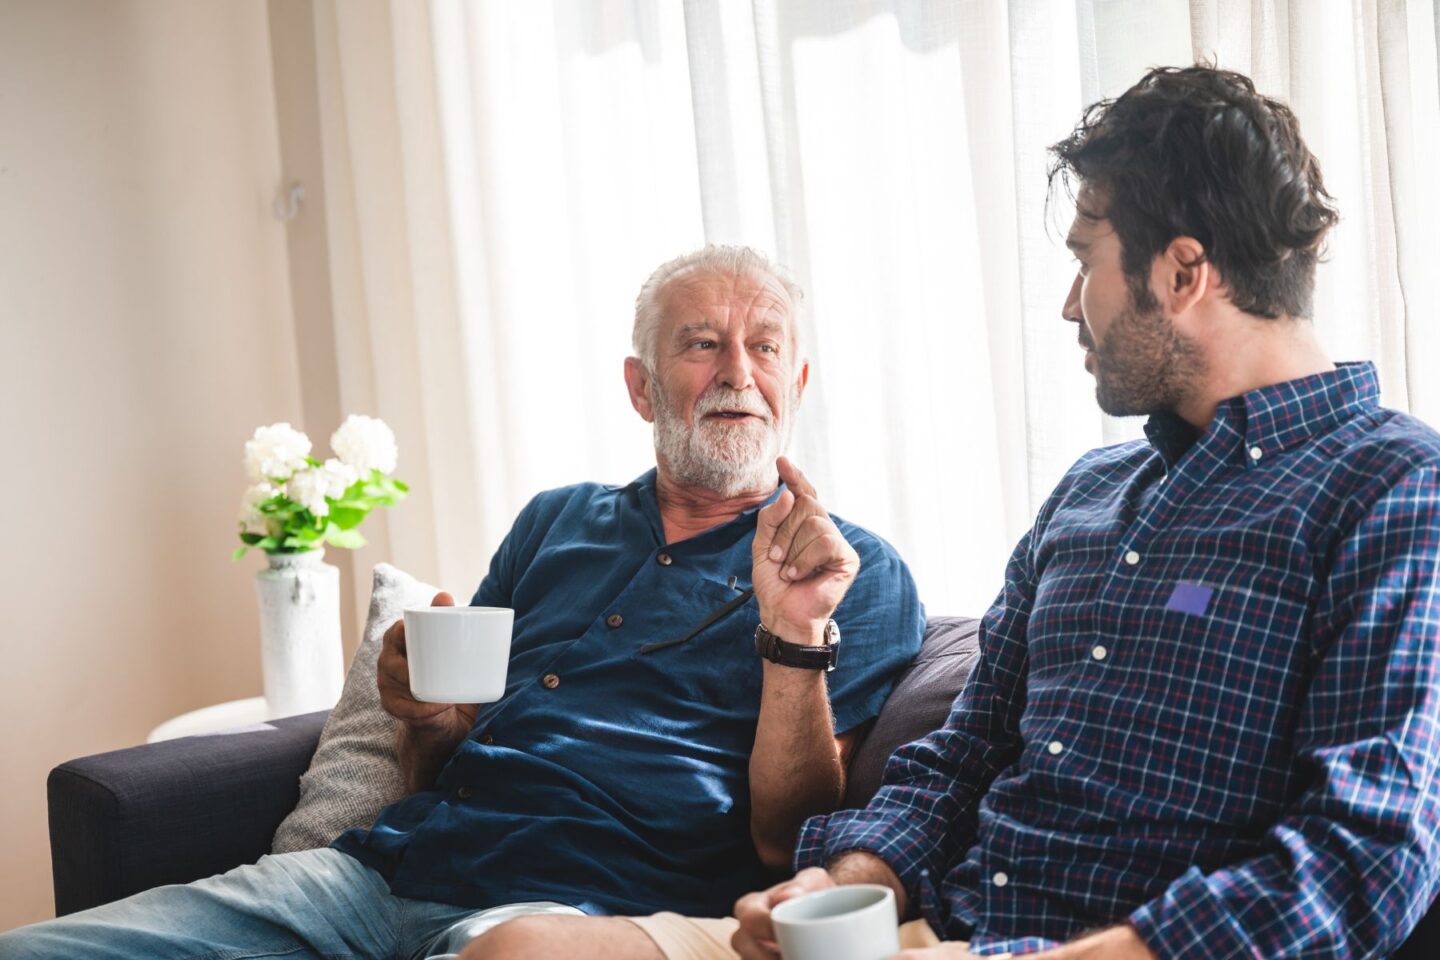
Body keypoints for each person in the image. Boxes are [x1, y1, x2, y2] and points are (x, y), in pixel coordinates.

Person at [651, 66, 1440, 960]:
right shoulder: (1089, 493)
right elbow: (964, 756)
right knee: (518, 947)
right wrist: (845, 883)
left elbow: (1367, 854)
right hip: (937, 933)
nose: (1072, 305)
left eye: (1084, 261)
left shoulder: (1395, 490)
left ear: (1182, 271)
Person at [1, 246, 924, 959]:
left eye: (764, 348)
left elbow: (786, 841)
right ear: (642, 388)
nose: (736, 370)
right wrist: (424, 715)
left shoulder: (851, 571)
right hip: (379, 873)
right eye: (700, 344)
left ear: (795, 386)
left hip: (578, 909)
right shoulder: (557, 522)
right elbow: (444, 751)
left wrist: (795, 633)